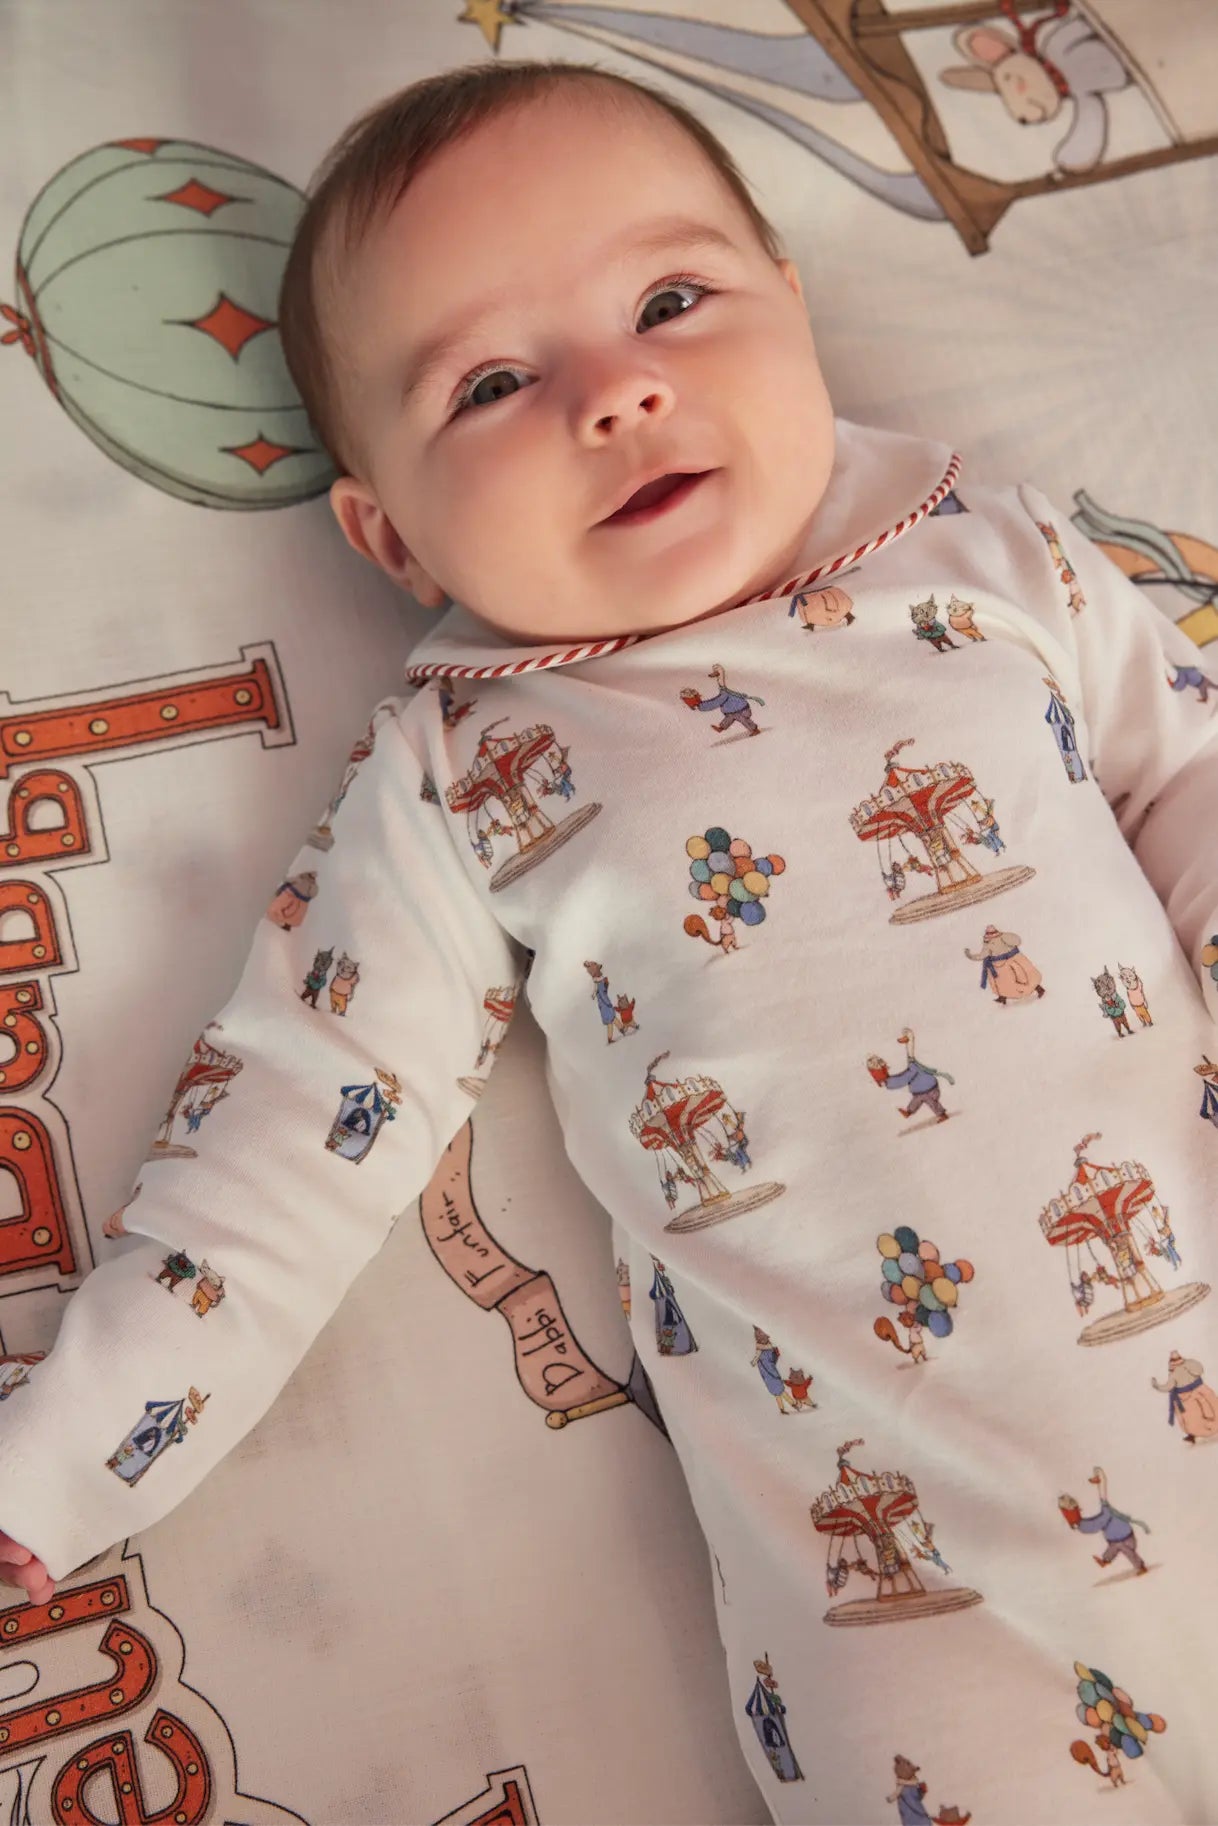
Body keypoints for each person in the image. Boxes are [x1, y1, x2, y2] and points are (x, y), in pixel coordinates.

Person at [0, 58, 1214, 1824]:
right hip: (910, 1593)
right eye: (493, 382)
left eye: (669, 302)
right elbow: (285, 1138)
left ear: (790, 312)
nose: (615, 391)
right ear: (387, 530)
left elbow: (1190, 769)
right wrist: (51, 1473)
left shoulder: (990, 558)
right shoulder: (464, 763)